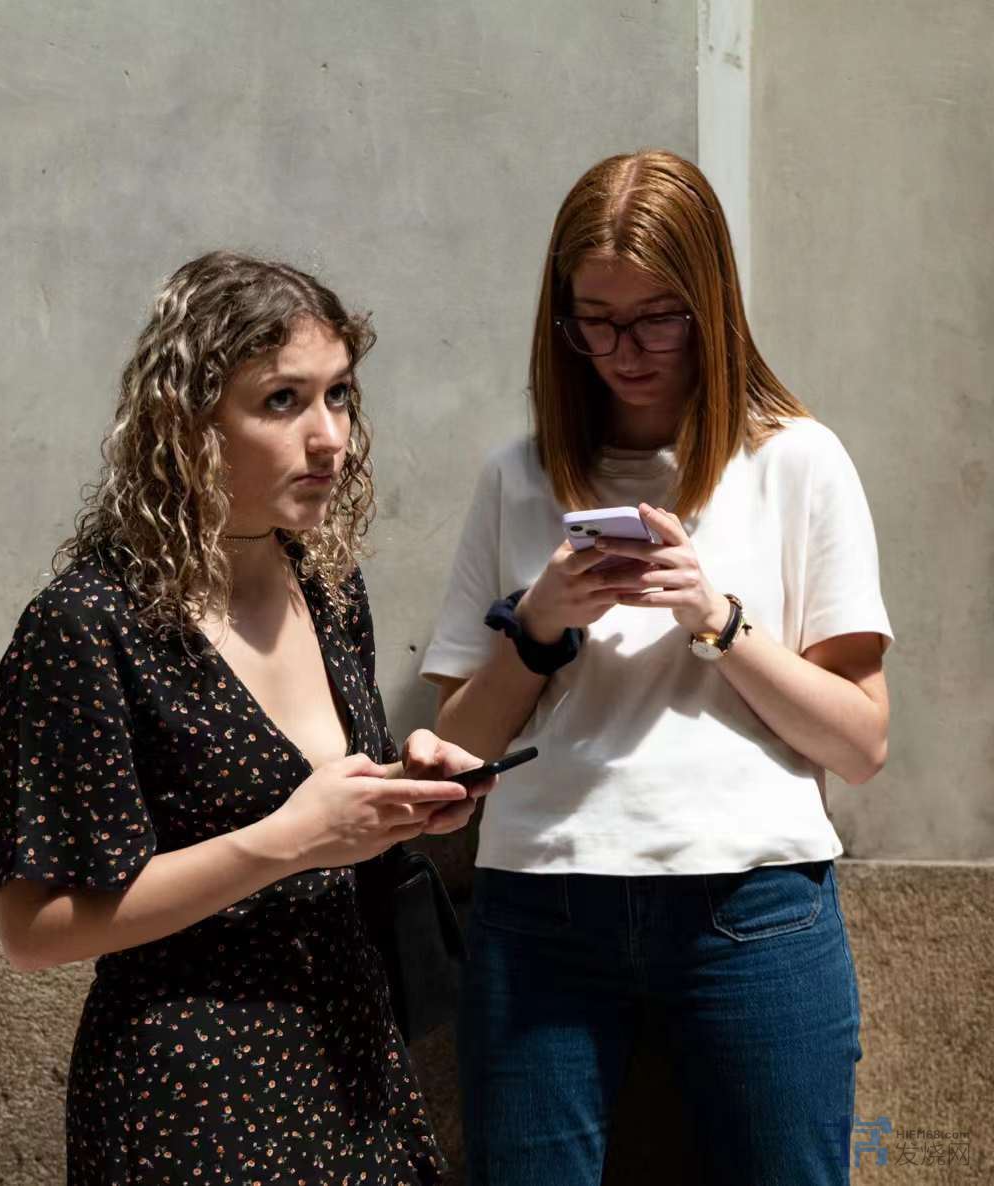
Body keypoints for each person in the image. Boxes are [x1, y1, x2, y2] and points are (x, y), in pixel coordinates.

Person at [421, 151, 892, 1186]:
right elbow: (453, 755)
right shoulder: (517, 476)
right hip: (541, 903)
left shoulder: (798, 461)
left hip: (754, 905)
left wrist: (718, 621)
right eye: (594, 320)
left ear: (711, 307)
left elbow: (861, 743)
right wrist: (539, 625)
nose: (624, 352)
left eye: (657, 320)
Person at [0, 251, 492, 1186]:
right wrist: (290, 841)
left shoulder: (328, 587)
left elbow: (322, 811)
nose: (328, 437)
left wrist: (401, 789)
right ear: (188, 423)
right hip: (191, 1098)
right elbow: (34, 929)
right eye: (282, 401)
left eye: (339, 396)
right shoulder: (91, 625)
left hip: (352, 1067)